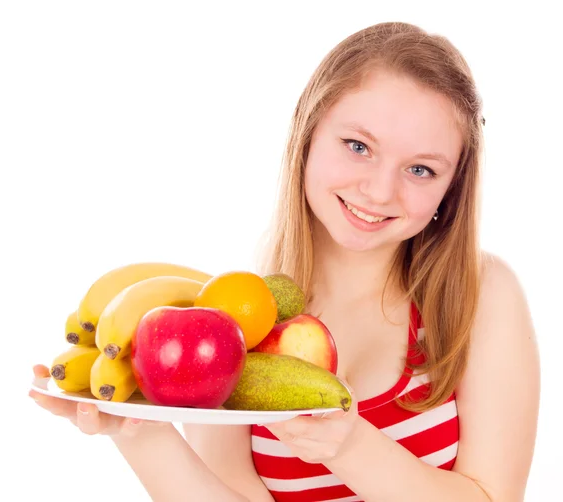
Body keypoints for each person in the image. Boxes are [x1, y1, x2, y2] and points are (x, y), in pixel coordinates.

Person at [28, 21, 540, 501]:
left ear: (452, 188)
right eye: (358, 146)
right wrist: (137, 432)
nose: (380, 190)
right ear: (308, 134)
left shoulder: (480, 295)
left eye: (422, 169)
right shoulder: (243, 313)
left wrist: (351, 448)